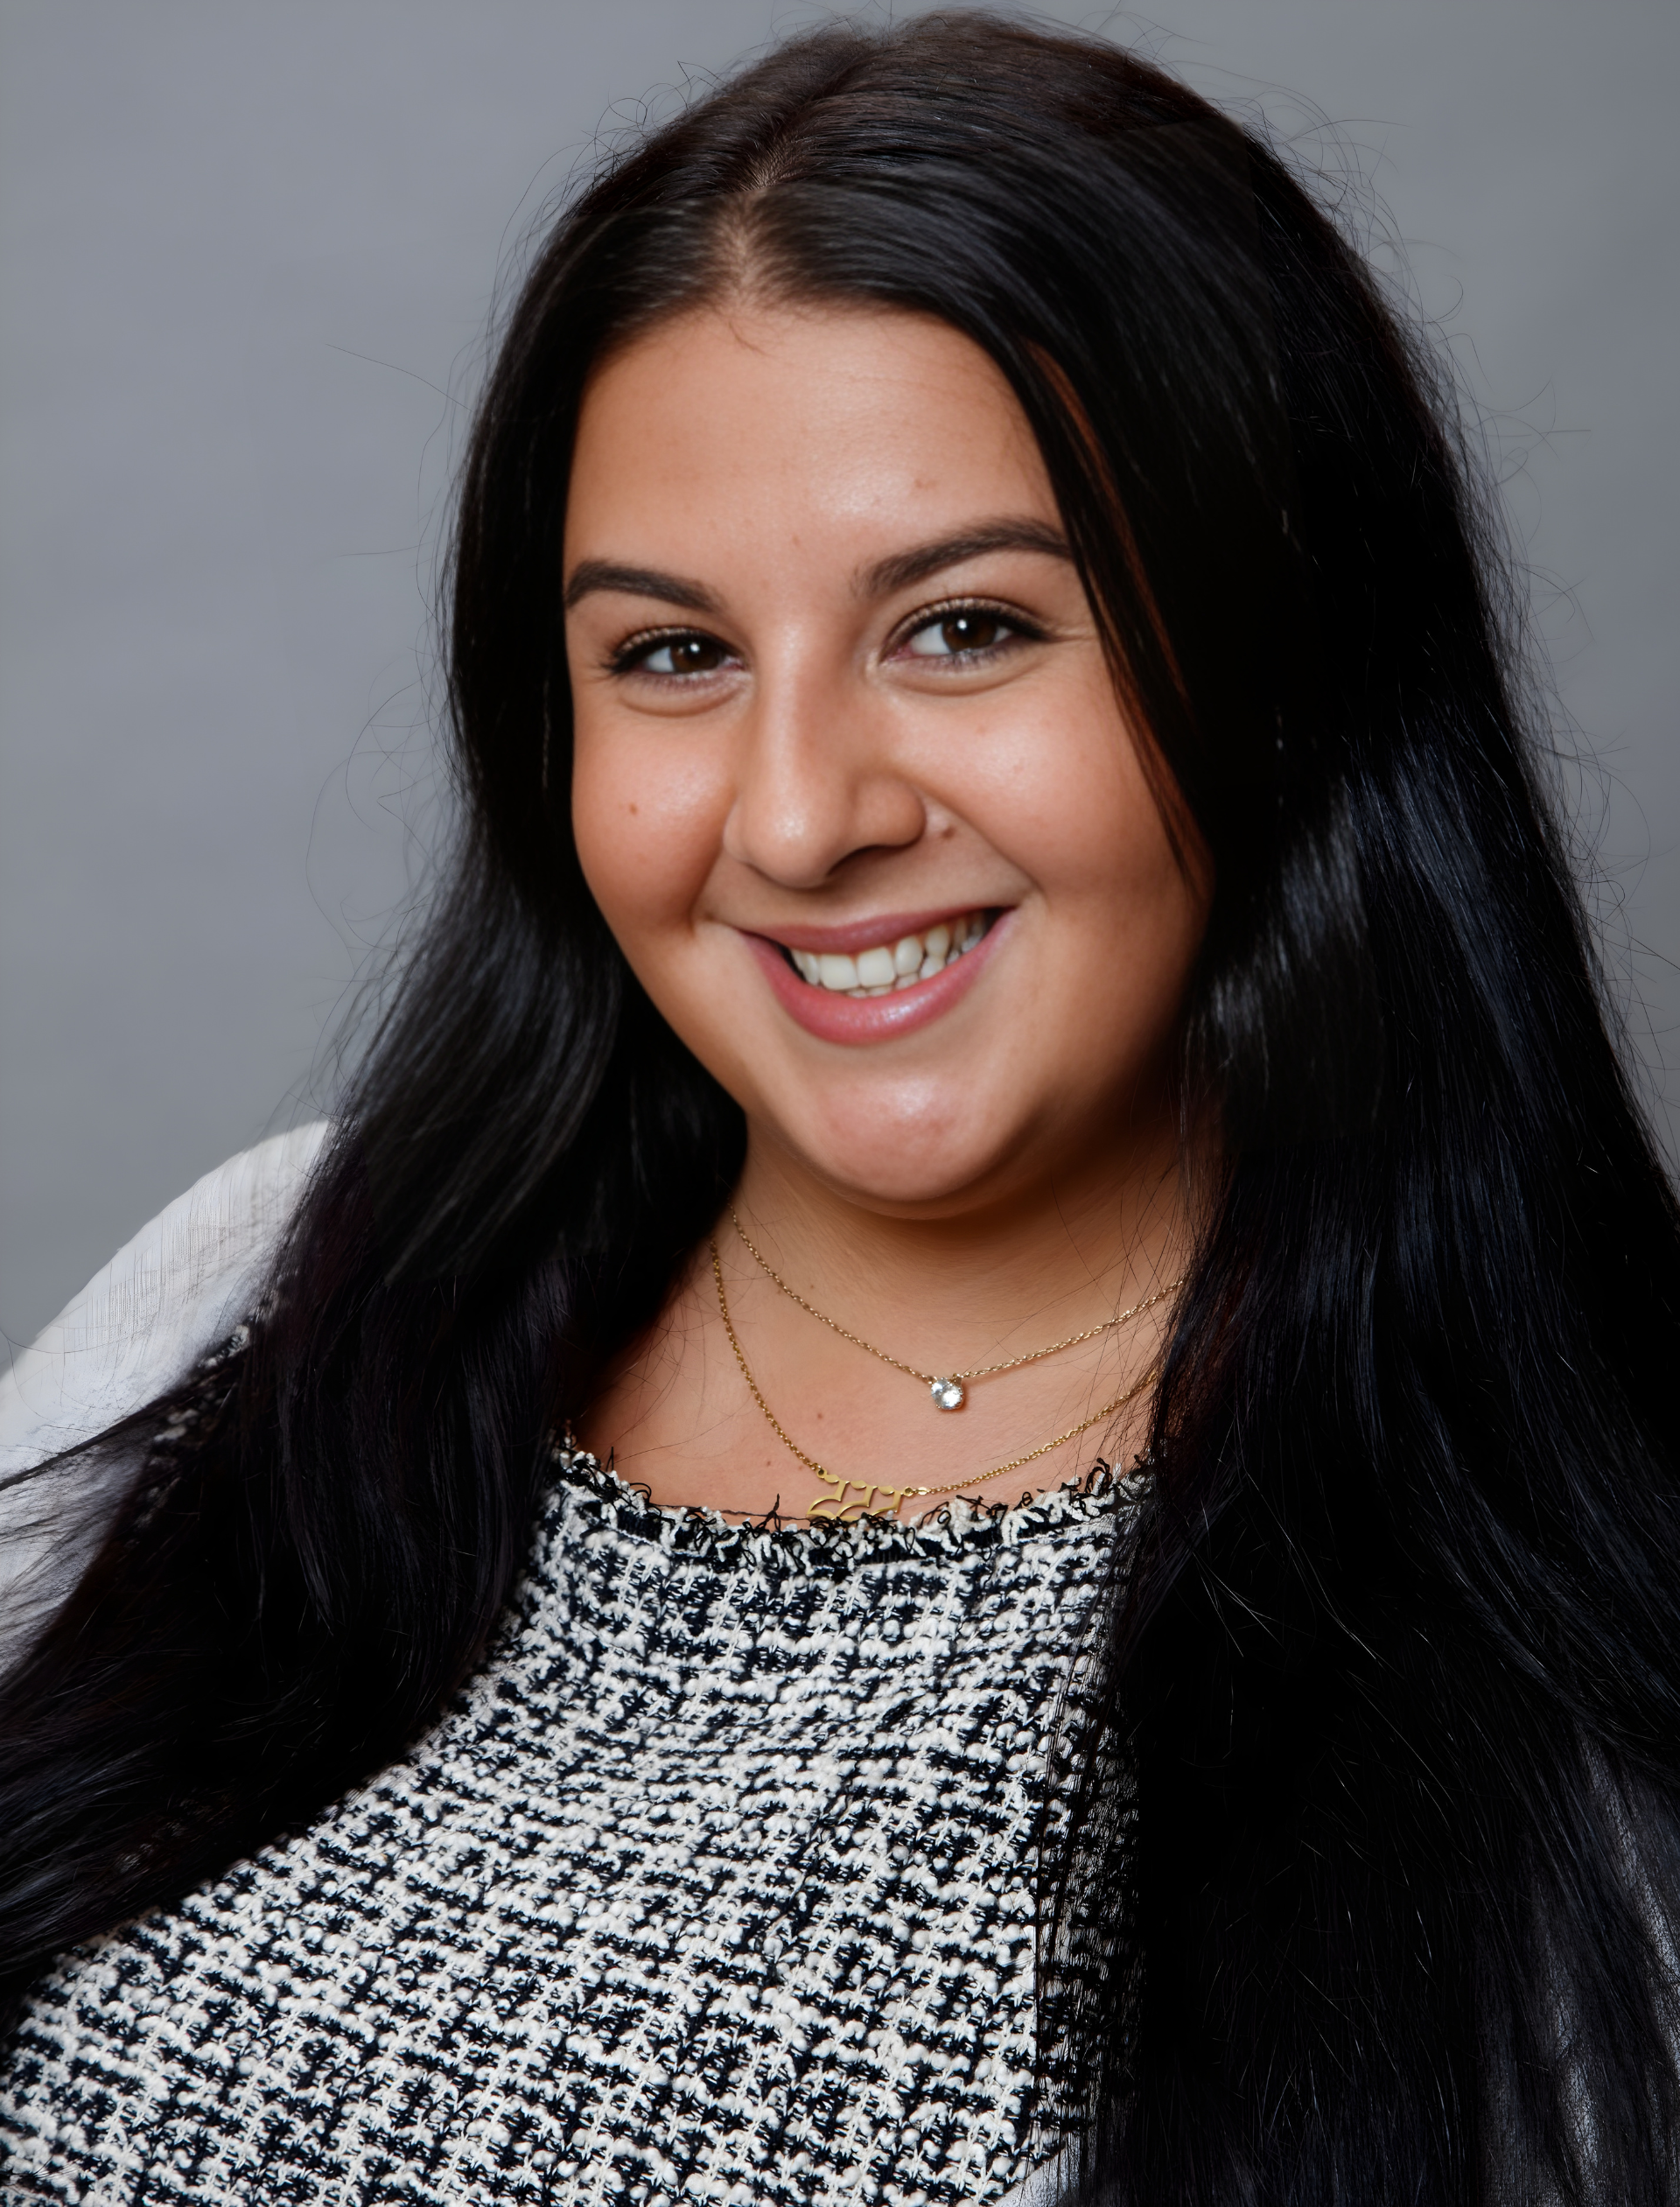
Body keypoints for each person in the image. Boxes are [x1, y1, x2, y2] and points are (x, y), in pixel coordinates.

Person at [2, 12, 1677, 2203]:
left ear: (1286, 659)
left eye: (965, 628)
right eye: (673, 655)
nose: (797, 819)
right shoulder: (274, 1296)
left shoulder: (1566, 1644)